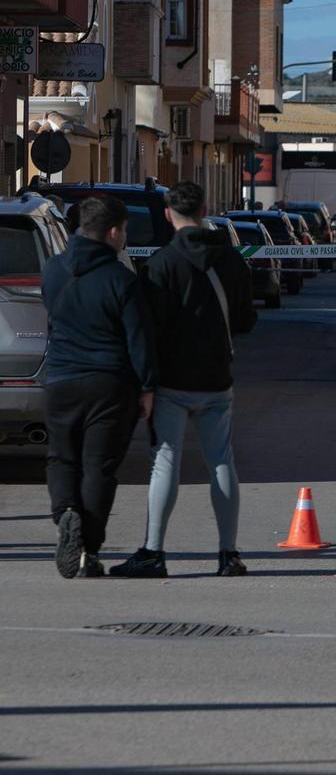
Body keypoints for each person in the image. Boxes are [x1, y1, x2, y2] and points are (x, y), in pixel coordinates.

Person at [110, 182, 256, 579]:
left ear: (167, 213)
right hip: (216, 377)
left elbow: (147, 328)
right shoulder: (230, 259)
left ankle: (153, 552)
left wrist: (145, 382)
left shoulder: (160, 264)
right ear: (206, 208)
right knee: (221, 461)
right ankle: (228, 554)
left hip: (171, 381)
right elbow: (245, 320)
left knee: (165, 463)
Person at [41, 196, 156, 579]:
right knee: (98, 467)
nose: (125, 238)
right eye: (124, 231)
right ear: (112, 232)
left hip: (59, 378)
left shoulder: (54, 271)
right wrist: (147, 387)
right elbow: (138, 338)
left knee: (61, 458)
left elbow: (54, 319)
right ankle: (88, 550)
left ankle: (66, 515)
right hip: (108, 383)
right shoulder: (122, 279)